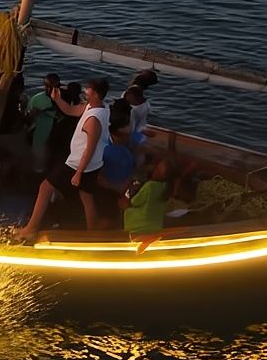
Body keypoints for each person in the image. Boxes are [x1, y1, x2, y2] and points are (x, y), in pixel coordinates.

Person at [13, 77, 111, 240]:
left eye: (89, 90)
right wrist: (57, 99)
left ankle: (31, 228)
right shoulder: (100, 107)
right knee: (87, 197)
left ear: (97, 94)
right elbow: (72, 111)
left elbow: (90, 148)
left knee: (45, 187)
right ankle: (93, 232)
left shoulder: (93, 120)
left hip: (79, 164)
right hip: (92, 164)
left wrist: (78, 173)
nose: (85, 91)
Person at [124, 158, 171, 240]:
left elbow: (135, 201)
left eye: (158, 169)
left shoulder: (151, 186)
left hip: (140, 224)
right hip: (157, 225)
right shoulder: (167, 188)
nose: (155, 170)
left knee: (122, 202)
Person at [26, 74, 62, 174]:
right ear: (44, 85)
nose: (50, 89)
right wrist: (33, 114)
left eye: (54, 87)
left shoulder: (64, 100)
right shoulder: (36, 99)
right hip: (40, 133)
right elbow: (29, 119)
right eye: (48, 86)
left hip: (57, 134)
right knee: (39, 157)